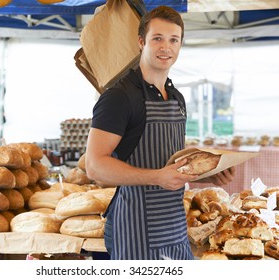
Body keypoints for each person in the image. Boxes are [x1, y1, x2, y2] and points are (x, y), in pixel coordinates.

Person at [85, 6, 235, 260]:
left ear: (180, 45)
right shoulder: (119, 97)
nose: (166, 47)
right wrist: (157, 177)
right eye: (157, 39)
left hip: (175, 225)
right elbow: (94, 166)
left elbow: (170, 165)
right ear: (141, 42)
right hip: (134, 225)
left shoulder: (177, 98)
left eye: (173, 40)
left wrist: (208, 174)